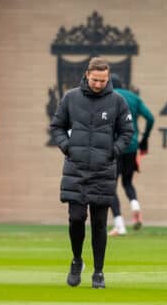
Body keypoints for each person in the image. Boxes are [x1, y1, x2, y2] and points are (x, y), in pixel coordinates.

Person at [50, 57, 134, 289]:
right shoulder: (70, 97)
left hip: (103, 169)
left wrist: (114, 151)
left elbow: (127, 132)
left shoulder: (117, 101)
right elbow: (56, 126)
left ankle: (98, 271)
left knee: (99, 223)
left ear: (108, 78)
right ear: (87, 75)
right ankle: (77, 260)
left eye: (103, 80)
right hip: (75, 169)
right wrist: (67, 146)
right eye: (95, 80)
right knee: (76, 219)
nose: (99, 84)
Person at [108, 73, 154, 236]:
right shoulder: (133, 98)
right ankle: (135, 205)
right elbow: (150, 118)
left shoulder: (109, 98)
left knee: (110, 186)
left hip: (113, 147)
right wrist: (145, 139)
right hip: (131, 145)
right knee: (127, 182)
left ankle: (119, 225)